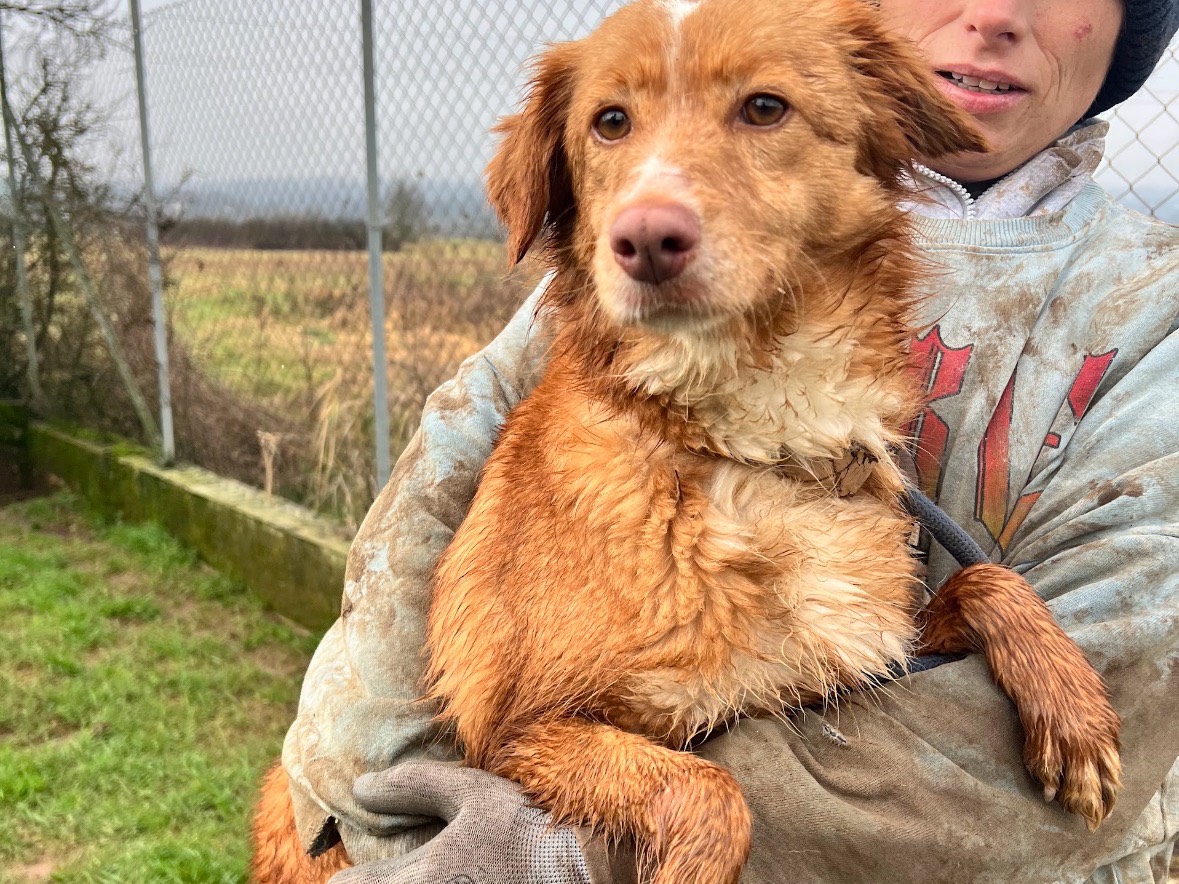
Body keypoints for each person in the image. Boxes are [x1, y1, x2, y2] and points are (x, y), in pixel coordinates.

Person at [281, 0, 1179, 881]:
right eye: (612, 124)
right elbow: (495, 698)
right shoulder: (566, 343)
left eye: (760, 109)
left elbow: (1125, 670)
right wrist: (375, 812)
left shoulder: (1149, 307)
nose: (991, 12)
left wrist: (991, 605)